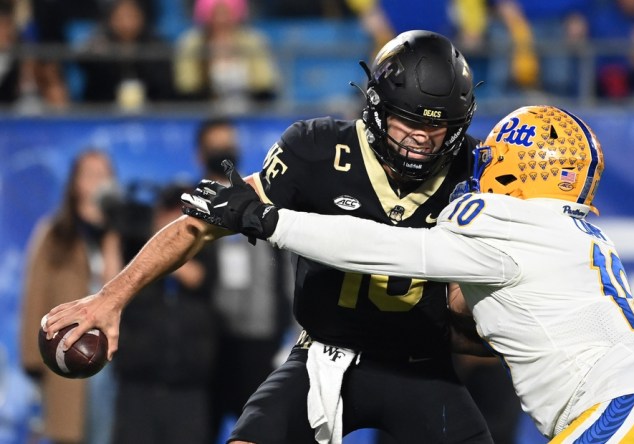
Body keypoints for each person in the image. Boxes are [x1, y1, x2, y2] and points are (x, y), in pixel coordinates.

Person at [182, 105, 634, 442]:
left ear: (511, 165)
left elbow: (382, 247)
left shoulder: (503, 217)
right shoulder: (583, 234)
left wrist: (266, 218)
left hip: (628, 411)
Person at [44, 30, 493, 444]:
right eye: (405, 122)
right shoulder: (317, 150)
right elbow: (201, 224)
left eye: (436, 129)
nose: (419, 140)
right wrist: (111, 297)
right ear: (376, 107)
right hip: (325, 357)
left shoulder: (478, 171)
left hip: (423, 365)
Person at [193, 118, 296, 440]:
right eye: (216, 146)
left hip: (260, 343)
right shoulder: (185, 211)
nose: (225, 152)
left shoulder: (260, 202)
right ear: (200, 153)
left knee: (257, 433)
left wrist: (292, 335)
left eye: (229, 144)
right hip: (207, 346)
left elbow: (288, 272)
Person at [20, 149, 122, 444]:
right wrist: (33, 363)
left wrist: (113, 235)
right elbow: (34, 297)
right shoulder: (54, 234)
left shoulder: (119, 234)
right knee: (69, 435)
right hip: (67, 354)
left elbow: (121, 287)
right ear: (75, 183)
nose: (99, 182)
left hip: (113, 359)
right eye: (91, 174)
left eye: (105, 175)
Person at [111, 183, 219, 444]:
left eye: (181, 212)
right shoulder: (133, 251)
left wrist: (166, 243)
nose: (173, 219)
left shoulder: (205, 249)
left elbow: (197, 278)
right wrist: (116, 236)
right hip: (137, 388)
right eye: (168, 210)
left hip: (187, 391)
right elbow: (111, 283)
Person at [174, 0, 280, 112]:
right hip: (205, 113)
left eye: (226, 13)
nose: (221, 19)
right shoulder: (192, 43)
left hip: (248, 112)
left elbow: (265, 83)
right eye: (216, 14)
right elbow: (187, 86)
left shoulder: (252, 41)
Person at [78, 0, 174, 107]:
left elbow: (162, 85)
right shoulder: (99, 42)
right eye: (120, 17)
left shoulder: (155, 44)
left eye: (132, 16)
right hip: (104, 109)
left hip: (151, 109)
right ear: (110, 19)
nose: (126, 23)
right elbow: (83, 62)